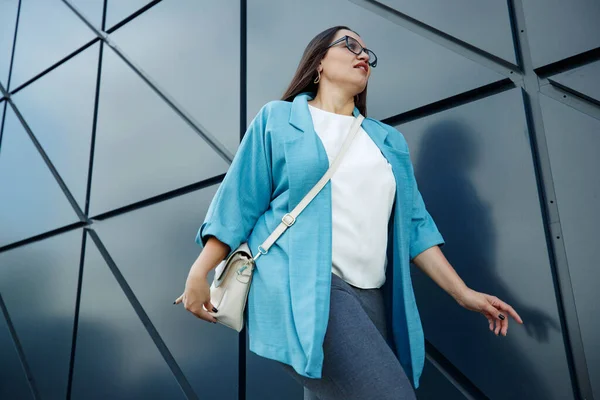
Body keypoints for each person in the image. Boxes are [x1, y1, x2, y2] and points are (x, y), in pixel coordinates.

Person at [175, 26, 523, 400]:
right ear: (319, 60)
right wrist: (200, 270)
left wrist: (463, 294)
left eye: (368, 54)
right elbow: (239, 201)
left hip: (372, 296)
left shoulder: (386, 140)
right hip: (308, 286)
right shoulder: (278, 119)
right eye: (351, 45)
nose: (363, 56)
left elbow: (415, 227)